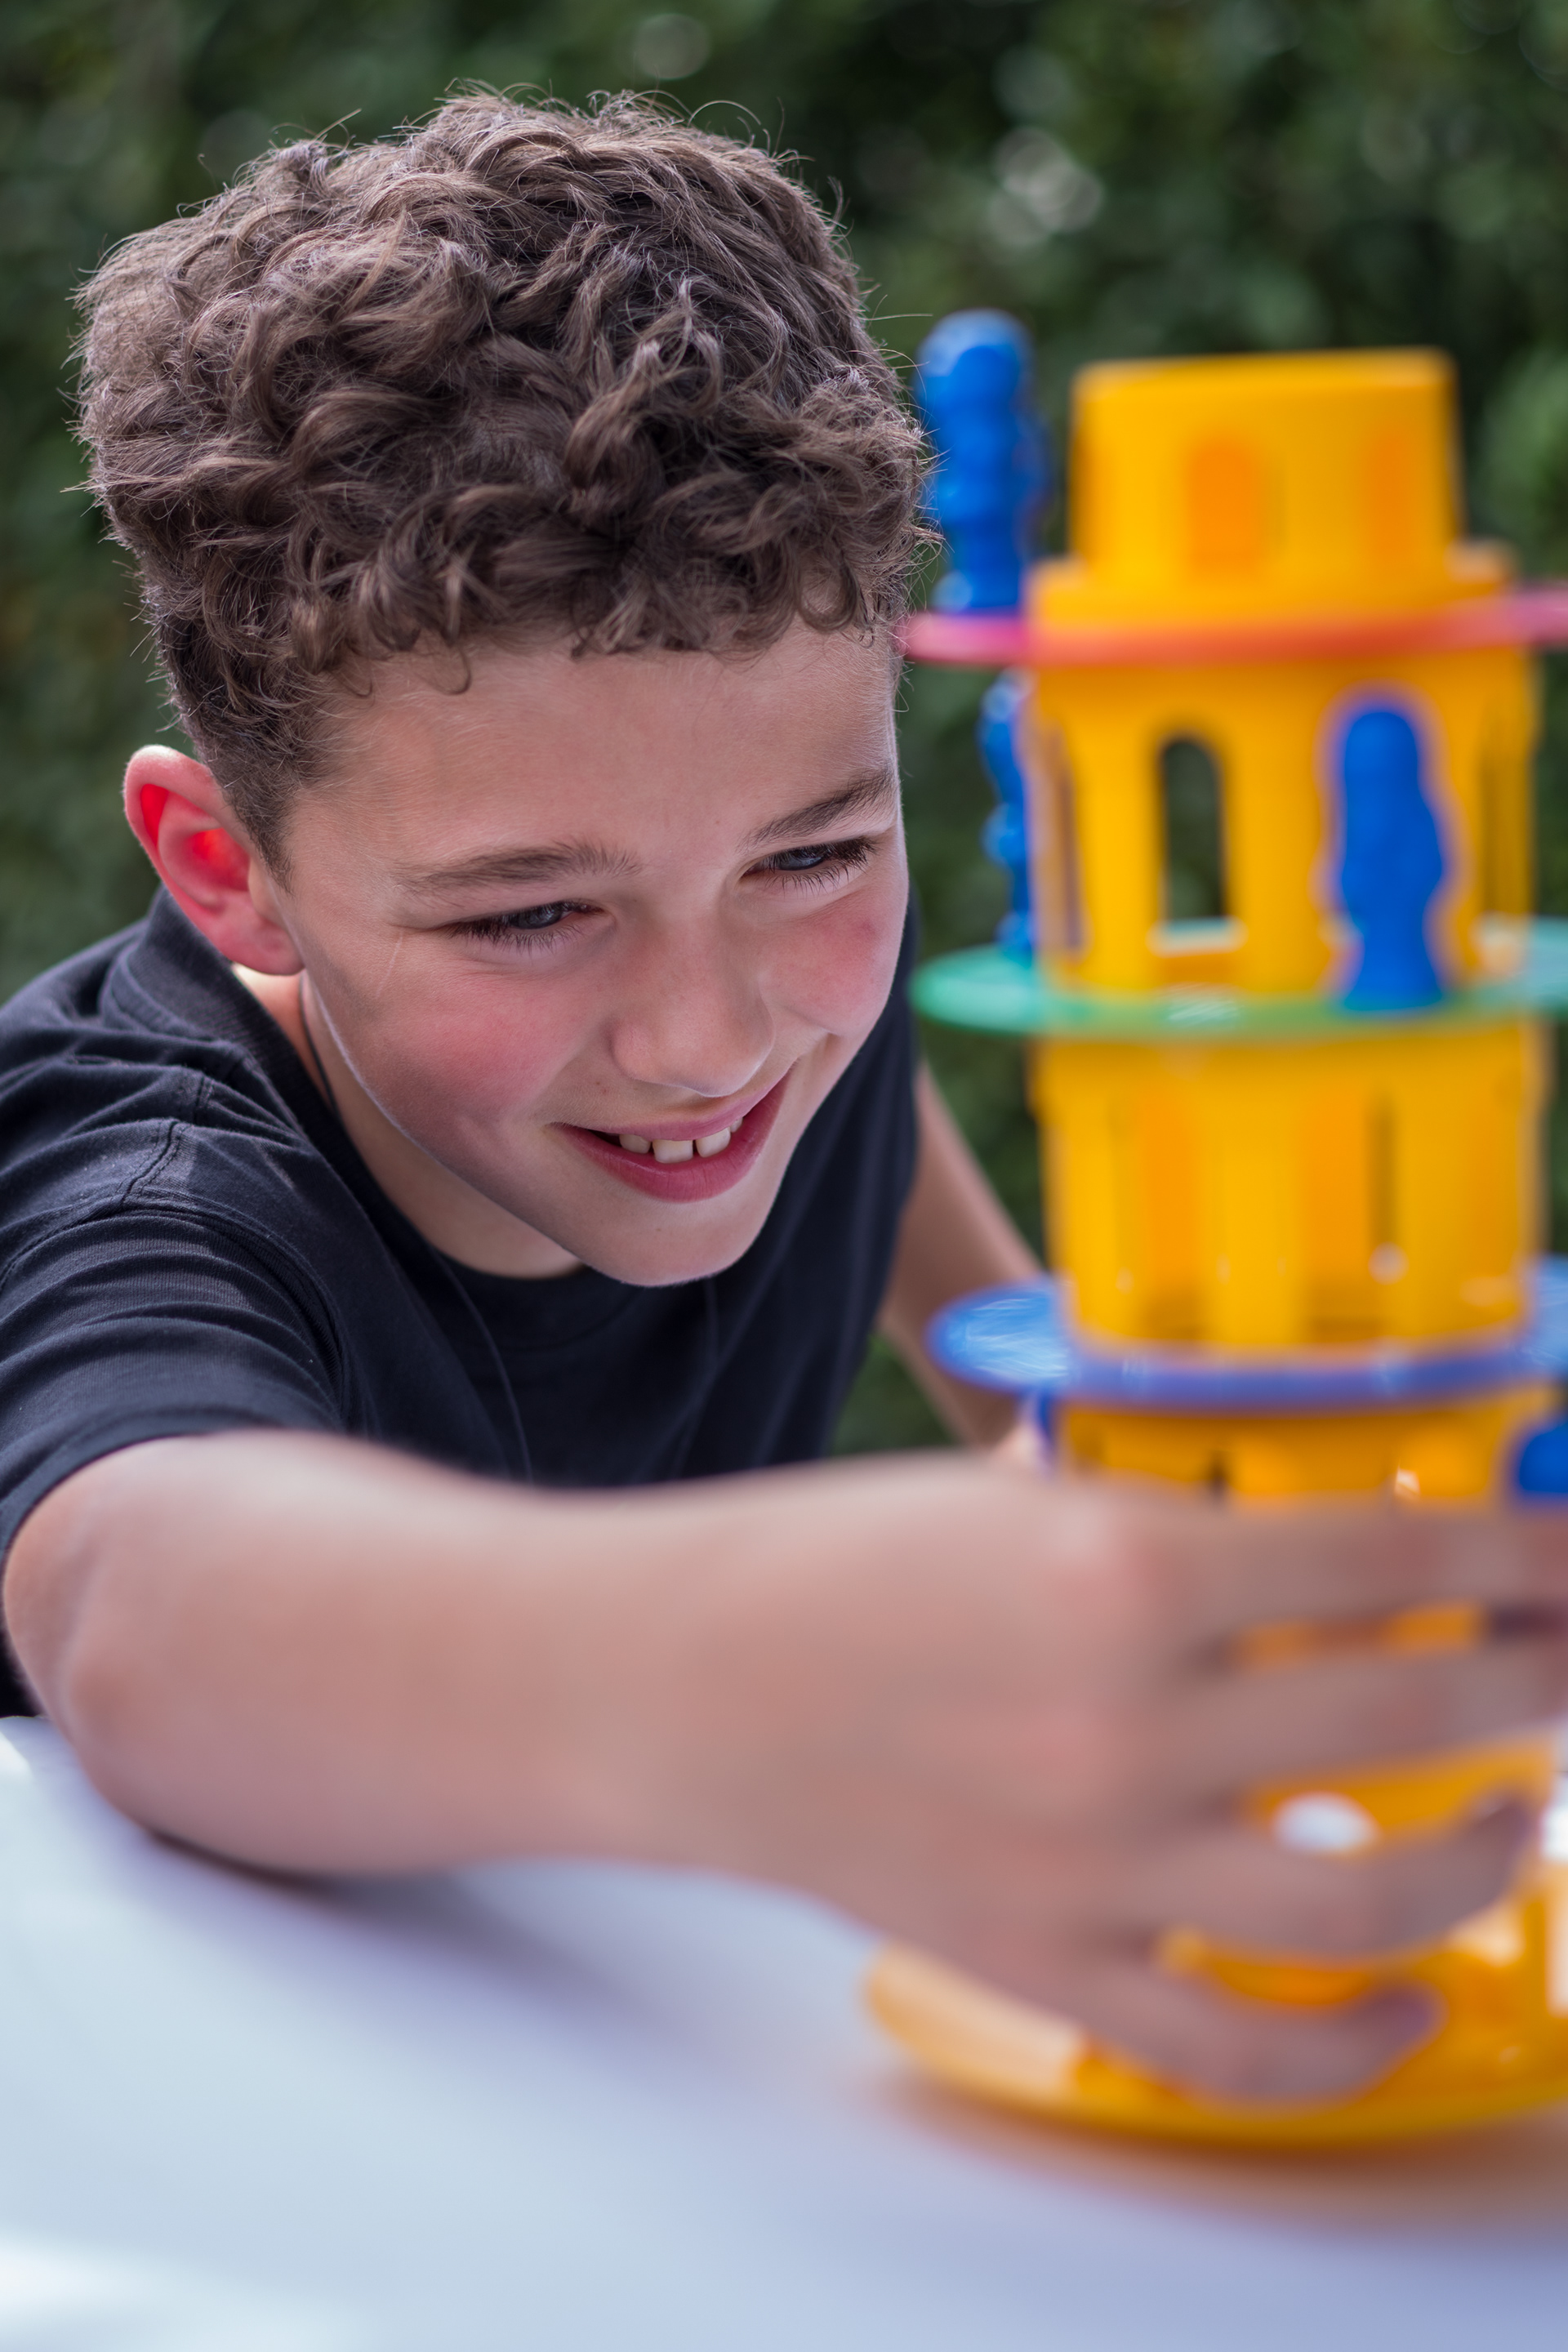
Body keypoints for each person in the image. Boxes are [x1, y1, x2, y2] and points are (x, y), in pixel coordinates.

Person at [2, 96, 1565, 2110]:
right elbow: (139, 1607)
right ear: (229, 871)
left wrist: (1084, 1472)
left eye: (816, 855)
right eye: (533, 914)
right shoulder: (136, 1188)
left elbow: (883, 1143)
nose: (711, 1038)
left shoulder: (807, 1013)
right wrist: (713, 1683)